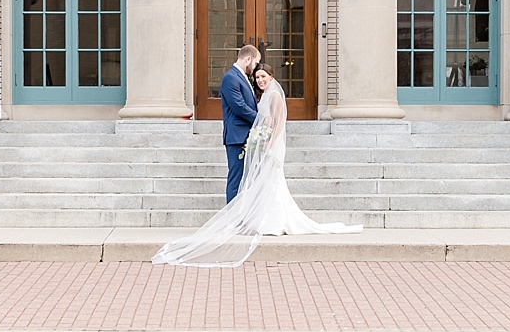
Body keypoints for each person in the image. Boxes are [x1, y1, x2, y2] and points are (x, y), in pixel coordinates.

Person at [153, 62, 361, 267]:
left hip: (272, 146)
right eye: (257, 77)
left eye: (263, 76)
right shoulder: (263, 96)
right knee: (266, 184)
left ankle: (275, 222)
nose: (260, 80)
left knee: (272, 182)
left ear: (271, 77)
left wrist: (270, 143)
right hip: (264, 145)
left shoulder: (275, 95)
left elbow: (279, 123)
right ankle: (269, 220)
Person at [219, 44, 260, 204]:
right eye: (255, 63)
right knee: (236, 179)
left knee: (245, 180)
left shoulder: (241, 77)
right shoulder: (230, 78)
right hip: (236, 137)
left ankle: (242, 219)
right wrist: (260, 119)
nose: (255, 68)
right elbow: (239, 107)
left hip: (246, 136)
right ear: (248, 58)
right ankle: (233, 221)